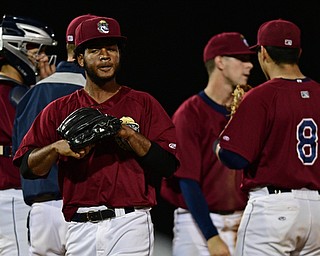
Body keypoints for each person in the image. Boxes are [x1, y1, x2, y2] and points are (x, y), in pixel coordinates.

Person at [13, 16, 179, 256]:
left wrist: (128, 135)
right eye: (95, 50)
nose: (105, 55)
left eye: (111, 49)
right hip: (80, 226)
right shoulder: (59, 109)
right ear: (80, 58)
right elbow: (28, 168)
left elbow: (168, 165)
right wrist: (55, 149)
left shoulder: (143, 103)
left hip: (129, 222)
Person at [214, 19, 320, 255]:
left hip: (274, 209)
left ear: (263, 53)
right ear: (299, 52)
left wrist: (220, 142)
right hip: (317, 211)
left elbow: (234, 157)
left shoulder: (262, 96)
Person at [161, 32, 254, 256]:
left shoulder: (250, 109)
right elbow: (188, 182)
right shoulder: (190, 114)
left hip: (244, 220)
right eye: (241, 59)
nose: (249, 65)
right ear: (220, 61)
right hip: (196, 222)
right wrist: (211, 236)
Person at [12, 14, 97, 255]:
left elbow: (23, 159)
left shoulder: (33, 93)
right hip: (85, 209)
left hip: (41, 211)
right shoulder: (101, 94)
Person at [0, 14, 56, 255]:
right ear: (16, 47)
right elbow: (42, 135)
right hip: (11, 196)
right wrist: (48, 91)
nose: (42, 57)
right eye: (37, 49)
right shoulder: (14, 93)